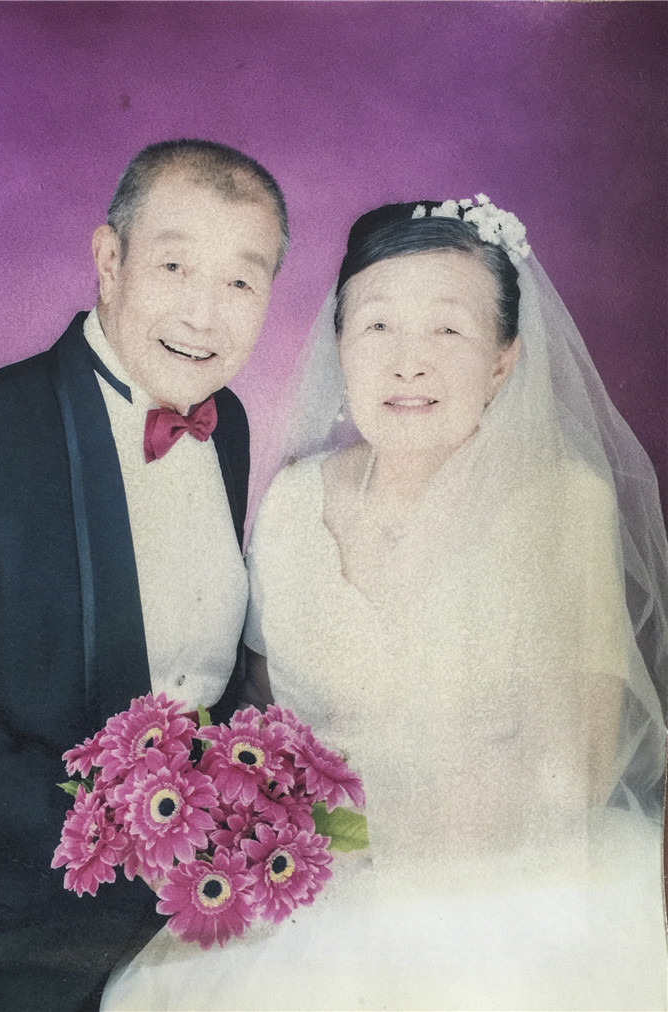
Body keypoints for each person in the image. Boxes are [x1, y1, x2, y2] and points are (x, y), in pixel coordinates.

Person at [102, 197, 667, 1011]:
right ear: (339, 345)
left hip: (499, 884)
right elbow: (260, 717)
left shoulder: (561, 502)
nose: (409, 363)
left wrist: (382, 842)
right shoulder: (292, 503)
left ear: (504, 360)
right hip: (304, 879)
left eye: (448, 330)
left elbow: (573, 765)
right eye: (376, 327)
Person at [0, 139, 288, 1011]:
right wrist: (123, 830)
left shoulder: (228, 428)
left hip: (183, 923)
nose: (204, 315)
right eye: (174, 266)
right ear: (108, 259)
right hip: (2, 941)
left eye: (240, 282)